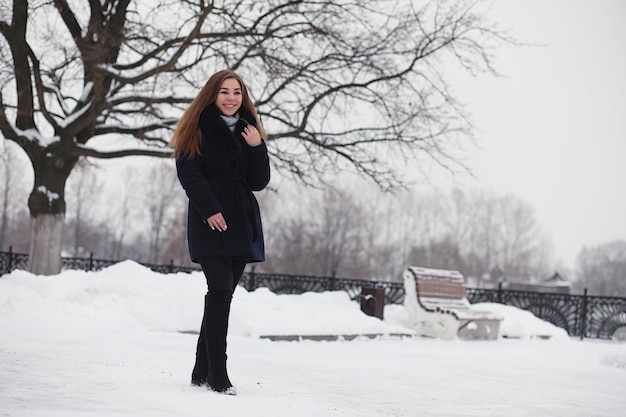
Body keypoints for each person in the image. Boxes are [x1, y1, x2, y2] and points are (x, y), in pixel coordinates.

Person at [169, 70, 270, 395]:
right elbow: (189, 174)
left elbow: (258, 181)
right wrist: (210, 209)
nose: (230, 98)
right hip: (208, 218)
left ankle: (201, 369)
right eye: (224, 91)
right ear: (212, 94)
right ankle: (218, 374)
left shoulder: (249, 130)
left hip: (241, 220)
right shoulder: (195, 128)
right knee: (221, 287)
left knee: (222, 295)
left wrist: (258, 147)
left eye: (236, 92)